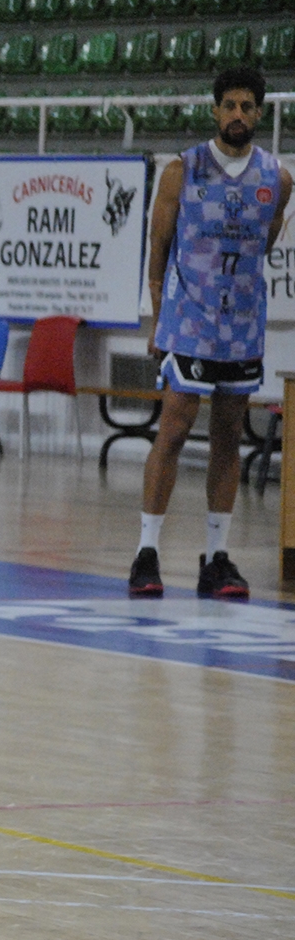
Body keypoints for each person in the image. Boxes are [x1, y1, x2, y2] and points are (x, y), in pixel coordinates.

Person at [129, 67, 292, 599]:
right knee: (174, 432)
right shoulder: (183, 169)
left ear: (260, 113)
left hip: (242, 326)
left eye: (248, 106)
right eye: (230, 106)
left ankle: (216, 558)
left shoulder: (279, 179)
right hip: (189, 321)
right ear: (215, 110)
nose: (238, 115)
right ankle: (146, 552)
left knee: (228, 439)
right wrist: (159, 315)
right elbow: (158, 247)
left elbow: (264, 242)